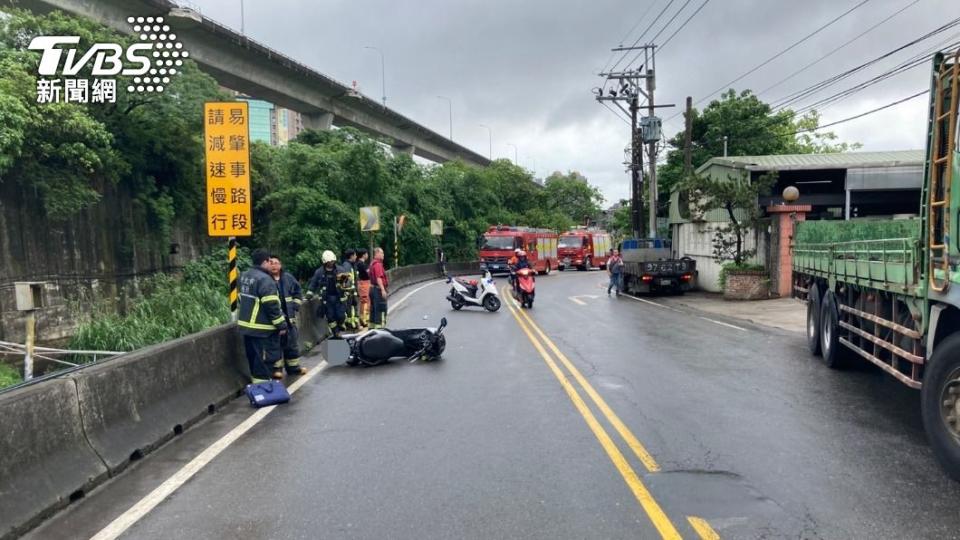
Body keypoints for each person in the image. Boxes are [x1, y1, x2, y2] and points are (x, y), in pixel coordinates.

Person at [238, 249, 288, 383]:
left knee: (253, 359)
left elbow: (240, 299)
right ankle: (264, 391)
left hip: (246, 327)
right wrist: (281, 324)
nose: (271, 265)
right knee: (263, 363)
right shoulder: (265, 280)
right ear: (264, 261)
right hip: (262, 330)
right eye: (270, 262)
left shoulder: (243, 276)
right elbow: (271, 305)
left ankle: (257, 389)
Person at [269, 256, 307, 378]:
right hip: (274, 320)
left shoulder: (288, 278)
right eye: (271, 263)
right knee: (275, 345)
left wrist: (295, 305)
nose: (274, 266)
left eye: (276, 263)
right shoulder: (266, 280)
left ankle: (294, 368)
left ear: (280, 265)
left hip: (289, 320)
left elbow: (298, 291)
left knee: (291, 344)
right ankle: (276, 370)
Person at [307, 250, 347, 338]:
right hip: (327, 299)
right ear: (325, 262)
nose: (331, 263)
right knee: (330, 317)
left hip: (339, 298)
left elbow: (348, 282)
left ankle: (340, 326)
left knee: (340, 315)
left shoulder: (340, 270)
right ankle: (335, 332)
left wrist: (345, 283)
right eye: (329, 261)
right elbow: (313, 283)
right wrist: (309, 293)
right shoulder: (319, 272)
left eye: (332, 261)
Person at [369, 247, 389, 329]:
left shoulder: (372, 264)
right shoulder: (377, 265)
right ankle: (380, 328)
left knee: (374, 309)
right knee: (381, 309)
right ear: (377, 254)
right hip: (378, 290)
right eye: (382, 253)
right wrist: (383, 290)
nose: (383, 255)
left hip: (373, 289)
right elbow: (378, 278)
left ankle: (372, 327)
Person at [340, 249, 359, 330]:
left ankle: (353, 324)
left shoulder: (351, 265)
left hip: (352, 291)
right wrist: (348, 291)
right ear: (351, 256)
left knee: (352, 308)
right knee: (349, 309)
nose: (356, 257)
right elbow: (346, 280)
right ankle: (350, 325)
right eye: (355, 255)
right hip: (348, 292)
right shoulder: (347, 266)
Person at [355, 249, 371, 328]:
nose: (367, 255)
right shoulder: (361, 264)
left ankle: (364, 318)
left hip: (364, 283)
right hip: (363, 284)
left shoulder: (360, 264)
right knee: (365, 301)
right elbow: (368, 274)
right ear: (364, 255)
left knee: (365, 301)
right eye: (366, 254)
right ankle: (364, 320)